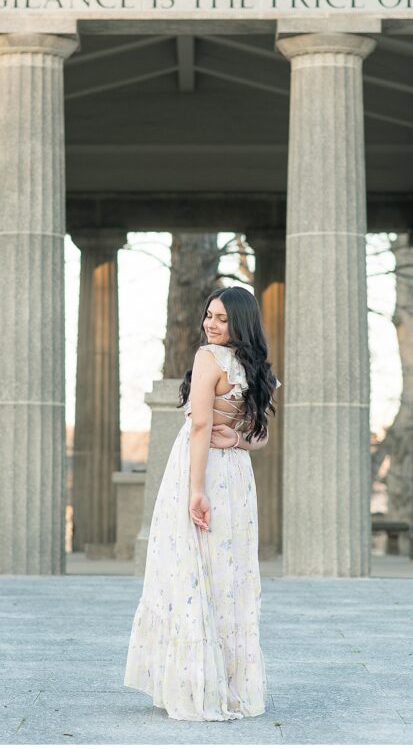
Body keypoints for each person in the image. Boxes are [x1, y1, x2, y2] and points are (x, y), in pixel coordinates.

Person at [124, 285, 280, 722]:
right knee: (229, 575)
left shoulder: (207, 359)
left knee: (191, 570)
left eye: (222, 319)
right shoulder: (255, 368)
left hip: (203, 471)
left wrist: (195, 489)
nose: (211, 324)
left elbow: (199, 429)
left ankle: (197, 684)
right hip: (236, 476)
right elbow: (262, 435)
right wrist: (241, 441)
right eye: (209, 315)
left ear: (239, 323)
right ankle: (231, 686)